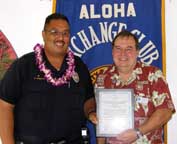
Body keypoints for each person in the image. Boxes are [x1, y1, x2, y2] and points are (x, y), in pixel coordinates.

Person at [0, 13, 96, 144]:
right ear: (44, 35)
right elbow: (5, 106)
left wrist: (91, 112)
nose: (60, 37)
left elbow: (88, 99)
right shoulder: (24, 66)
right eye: (54, 32)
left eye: (65, 33)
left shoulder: (79, 66)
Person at [94, 30, 175, 144]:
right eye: (118, 48)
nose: (123, 54)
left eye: (129, 49)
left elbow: (166, 112)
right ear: (112, 52)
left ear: (137, 51)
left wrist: (138, 132)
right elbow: (101, 120)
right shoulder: (102, 79)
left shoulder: (153, 75)